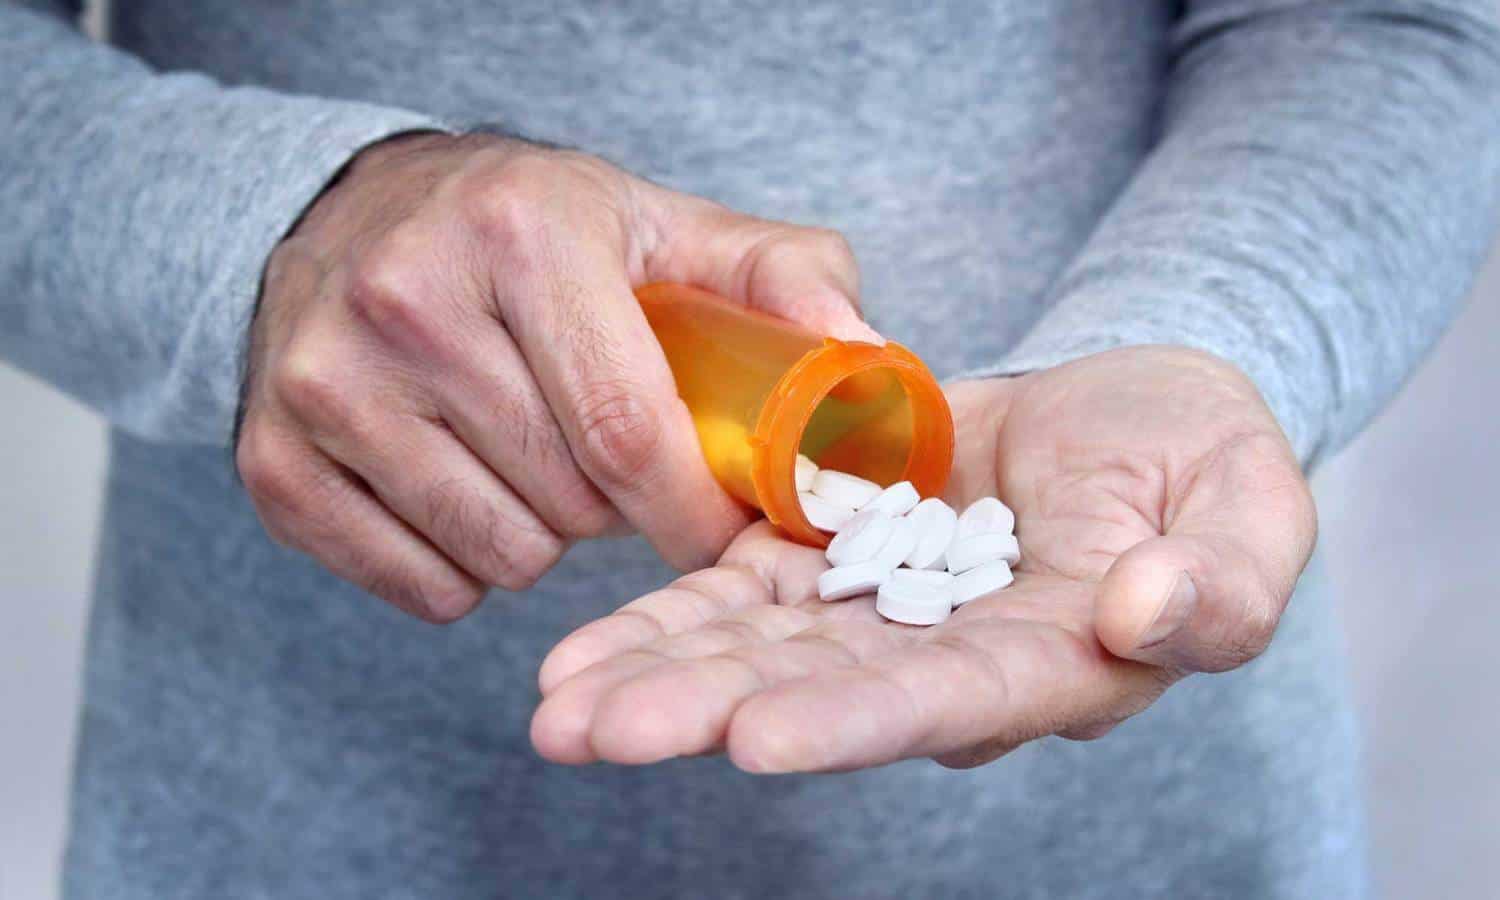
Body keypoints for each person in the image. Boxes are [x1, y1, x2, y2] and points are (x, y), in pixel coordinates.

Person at [4, 0, 1498, 896]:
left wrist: (1196, 334)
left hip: (1128, 836)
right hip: (304, 813)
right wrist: (273, 227)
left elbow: (1387, 19)